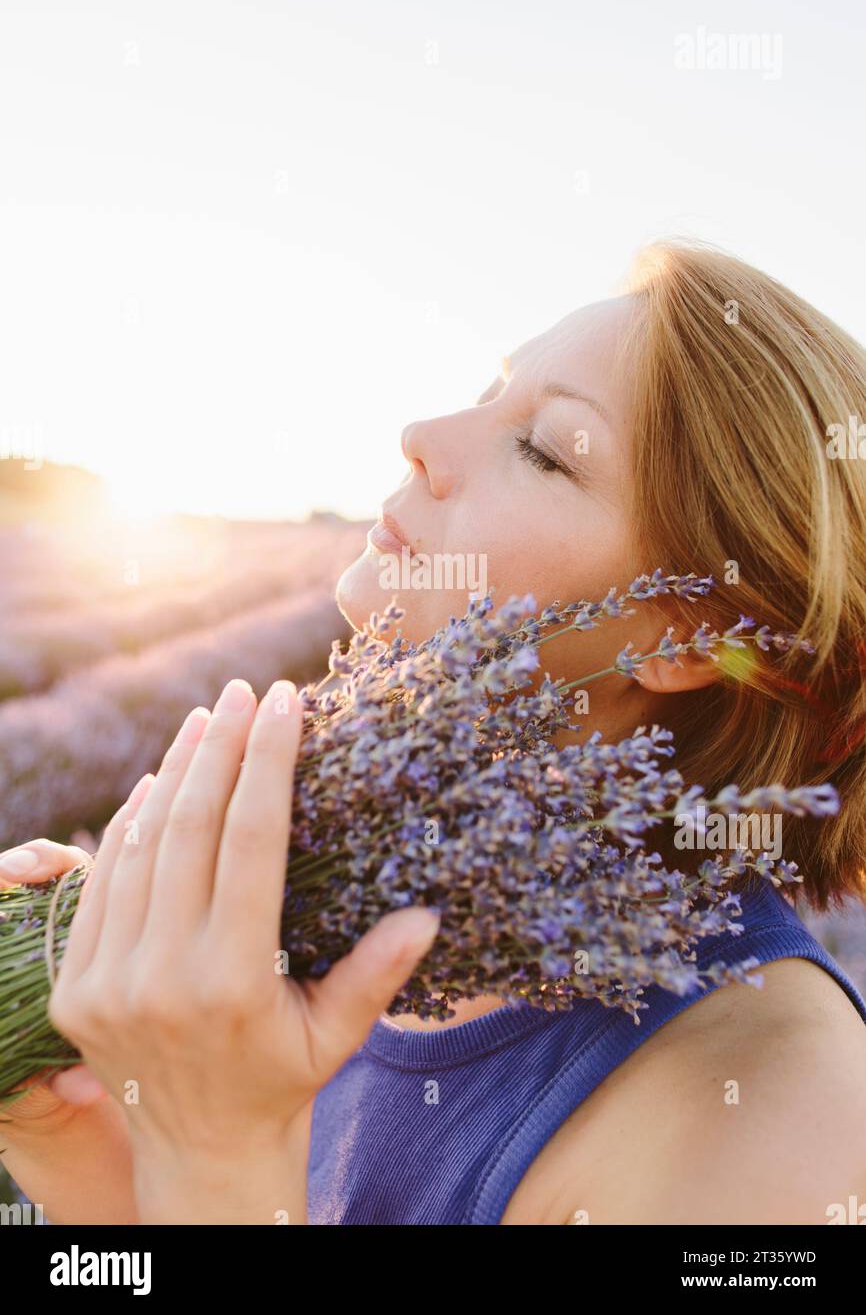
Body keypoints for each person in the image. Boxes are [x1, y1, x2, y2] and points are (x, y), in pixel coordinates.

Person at [3, 240, 866, 1224]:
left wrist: (217, 1153)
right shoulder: (338, 876)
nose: (421, 434)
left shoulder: (776, 1119)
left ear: (684, 634)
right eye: (485, 391)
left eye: (543, 447)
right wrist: (90, 1145)